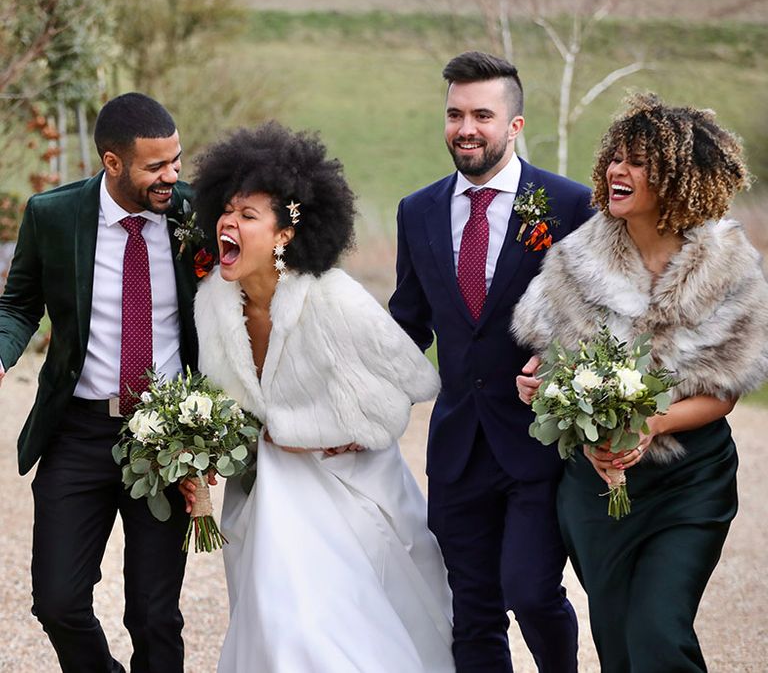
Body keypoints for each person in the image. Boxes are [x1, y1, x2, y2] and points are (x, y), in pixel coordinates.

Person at [181, 121, 454, 672]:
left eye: (249, 215)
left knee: (313, 626)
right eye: (226, 210)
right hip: (264, 489)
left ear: (284, 234)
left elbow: (412, 384)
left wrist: (326, 432)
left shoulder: (333, 299)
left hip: (346, 484)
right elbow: (227, 405)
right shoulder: (212, 302)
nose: (228, 223)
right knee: (272, 618)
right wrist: (203, 450)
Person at [512, 93, 768, 672]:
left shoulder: (729, 266)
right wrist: (539, 384)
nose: (617, 172)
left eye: (638, 162)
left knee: (658, 633)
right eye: (616, 158)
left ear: (679, 178)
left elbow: (726, 388)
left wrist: (652, 423)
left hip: (689, 482)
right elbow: (550, 362)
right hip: (596, 490)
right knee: (620, 646)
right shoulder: (575, 260)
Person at [388, 50, 593, 672]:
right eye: (454, 114)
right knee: (472, 610)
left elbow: (593, 320)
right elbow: (407, 323)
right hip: (457, 449)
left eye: (482, 113)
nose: (466, 128)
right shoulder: (416, 210)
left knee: (531, 592)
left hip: (536, 443)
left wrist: (560, 365)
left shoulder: (569, 205)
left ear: (515, 125)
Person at [0, 93, 199, 672]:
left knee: (156, 616)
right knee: (57, 602)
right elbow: (18, 305)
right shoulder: (52, 215)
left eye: (177, 160)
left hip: (166, 437)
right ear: (112, 163)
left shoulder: (196, 213)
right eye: (155, 167)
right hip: (78, 430)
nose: (171, 176)